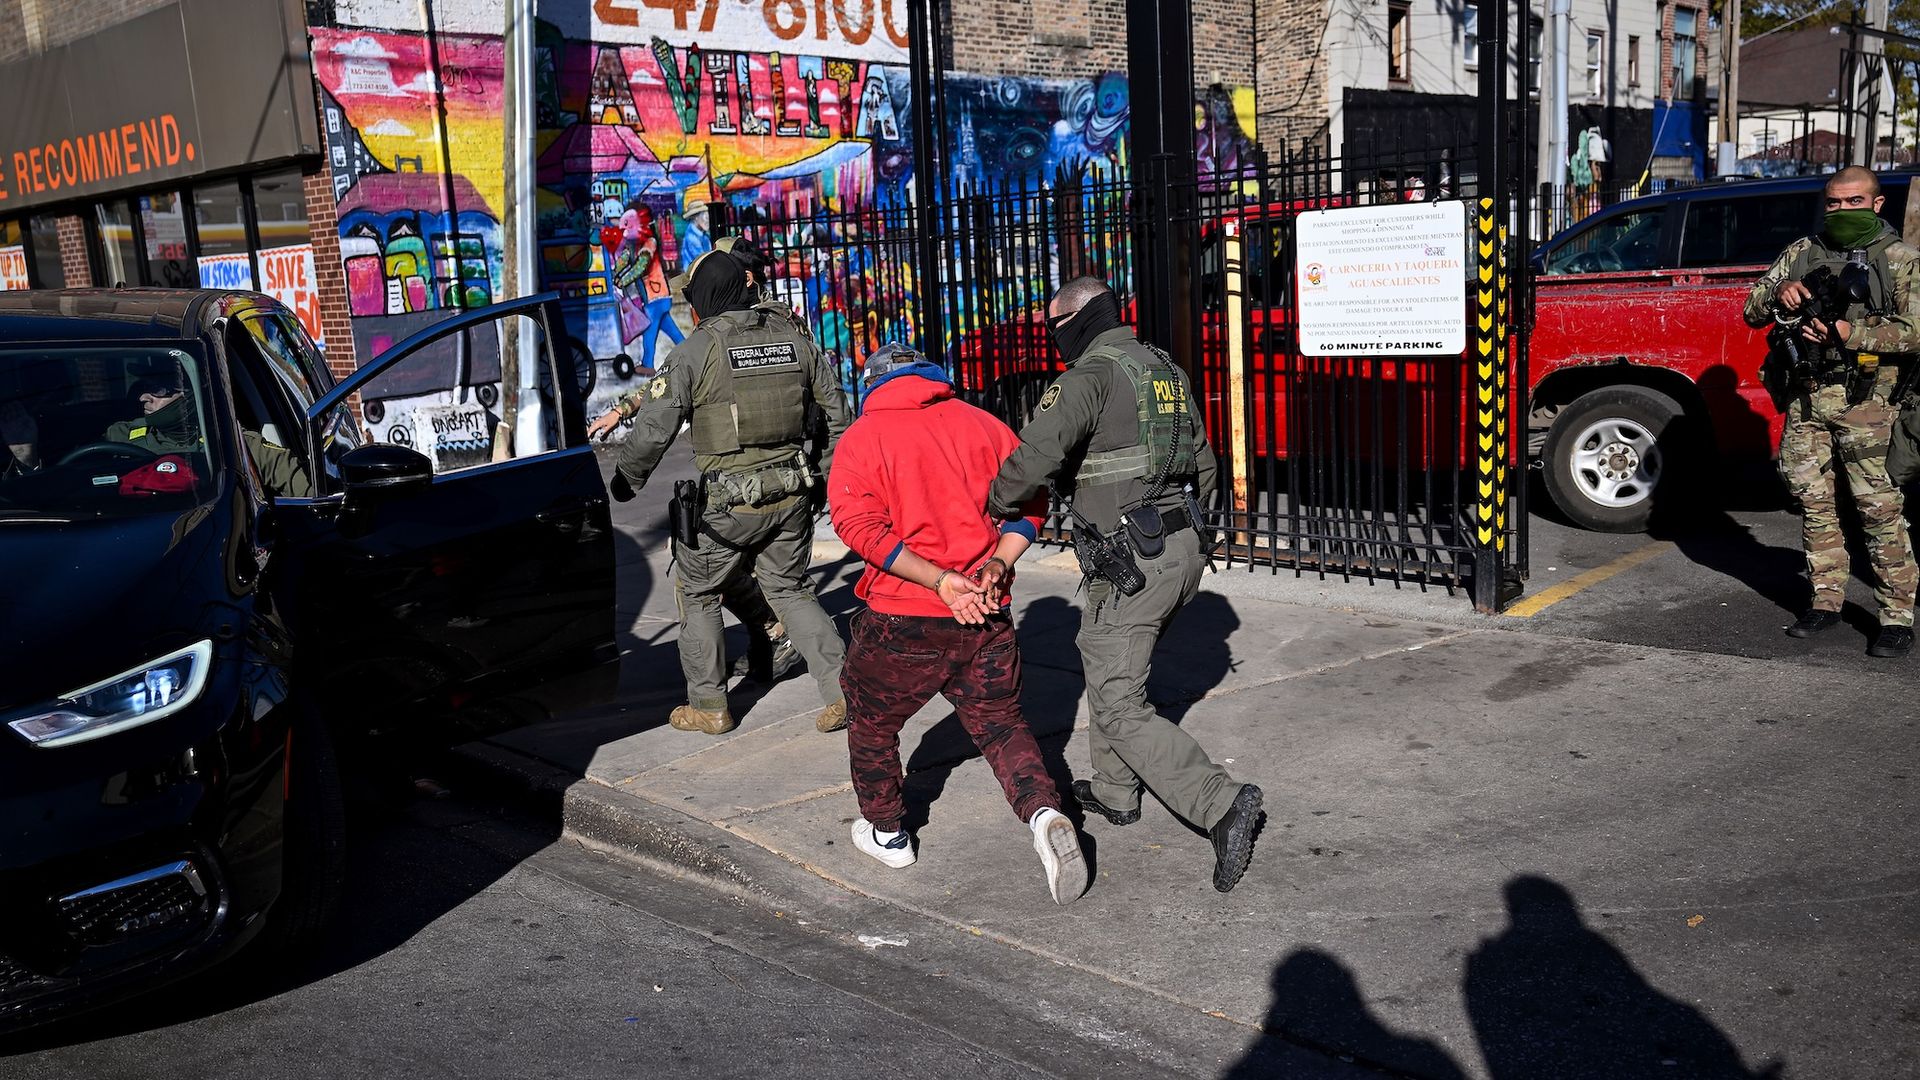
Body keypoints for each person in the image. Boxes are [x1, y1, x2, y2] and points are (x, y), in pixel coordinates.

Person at [988, 277, 1263, 893]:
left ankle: (1220, 804)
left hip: (1135, 556)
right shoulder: (1162, 368)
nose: (1052, 335)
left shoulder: (1089, 377)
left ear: (1076, 319)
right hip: (1176, 546)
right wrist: (1193, 536)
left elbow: (1035, 456)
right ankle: (1115, 791)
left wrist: (996, 499)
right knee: (1102, 653)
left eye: (1053, 323)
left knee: (1119, 700)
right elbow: (1207, 462)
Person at [827, 344, 1087, 905]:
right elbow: (1032, 500)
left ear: (872, 385)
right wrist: (998, 561)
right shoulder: (985, 425)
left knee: (871, 721)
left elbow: (859, 527)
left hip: (905, 615)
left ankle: (889, 831)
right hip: (986, 610)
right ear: (931, 375)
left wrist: (940, 581)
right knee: (1000, 723)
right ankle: (1043, 812)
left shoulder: (863, 438)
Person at [605, 249, 851, 734]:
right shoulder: (793, 339)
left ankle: (709, 706)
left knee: (697, 590)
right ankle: (844, 690)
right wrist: (824, 478)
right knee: (791, 589)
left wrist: (627, 479)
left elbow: (656, 427)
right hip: (792, 494)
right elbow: (839, 416)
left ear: (705, 299)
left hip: (728, 504)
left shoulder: (697, 350)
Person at [589, 239, 808, 686]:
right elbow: (676, 381)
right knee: (733, 566)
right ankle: (778, 638)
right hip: (753, 474)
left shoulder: (772, 327)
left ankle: (775, 643)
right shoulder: (738, 326)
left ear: (742, 278)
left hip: (771, 475)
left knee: (710, 567)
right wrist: (625, 409)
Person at [1744, 165, 1918, 659]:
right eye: (1834, 202)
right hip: (1806, 400)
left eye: (1854, 201)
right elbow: (1752, 308)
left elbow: (1916, 331)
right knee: (1814, 505)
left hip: (1869, 405)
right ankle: (1825, 601)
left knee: (1878, 510)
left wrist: (1850, 334)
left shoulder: (1902, 260)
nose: (1841, 210)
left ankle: (1896, 615)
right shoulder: (1802, 252)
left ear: (1877, 204)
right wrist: (1780, 294)